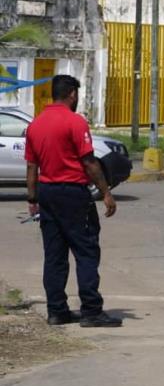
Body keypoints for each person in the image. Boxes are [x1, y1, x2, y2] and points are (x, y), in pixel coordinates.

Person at [25, 75, 122, 328]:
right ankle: (91, 311)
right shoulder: (75, 122)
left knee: (54, 255)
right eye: (76, 94)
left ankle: (57, 311)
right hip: (73, 194)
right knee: (86, 251)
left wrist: (32, 198)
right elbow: (89, 162)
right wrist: (106, 192)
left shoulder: (36, 124)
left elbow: (32, 166)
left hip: (47, 192)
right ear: (72, 94)